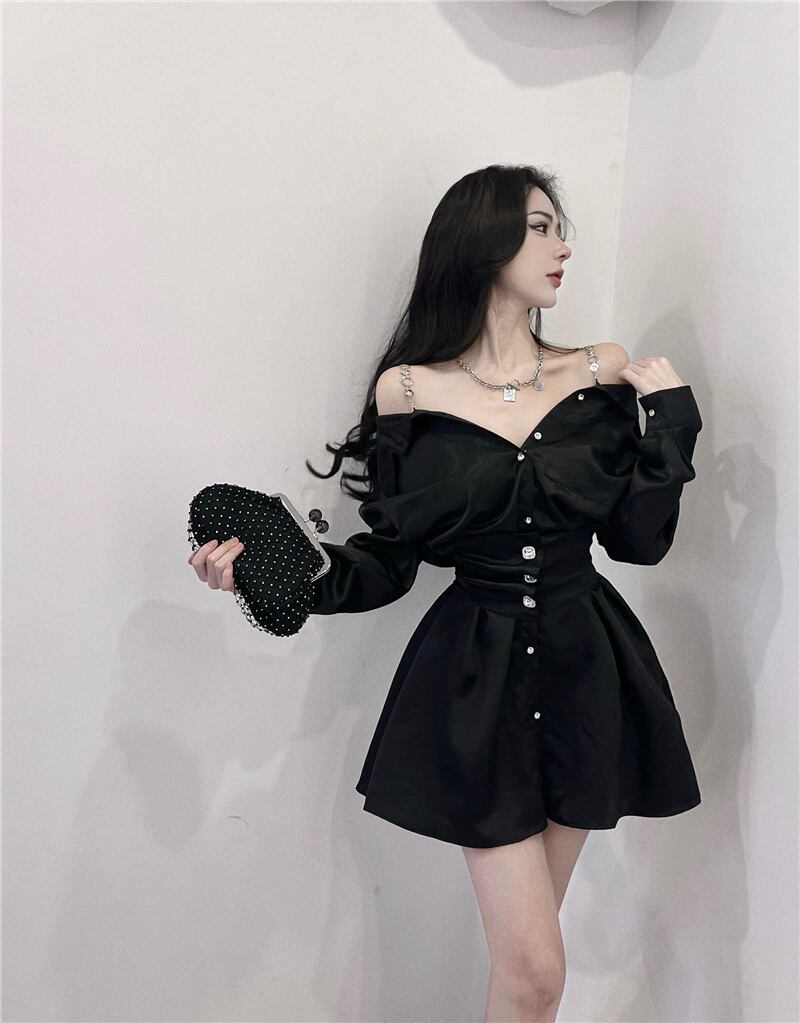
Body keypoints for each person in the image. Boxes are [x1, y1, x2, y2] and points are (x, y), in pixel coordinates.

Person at [187, 164, 703, 1023]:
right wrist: (272, 572)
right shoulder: (409, 389)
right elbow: (389, 562)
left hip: (588, 669)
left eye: (558, 227)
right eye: (540, 226)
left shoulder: (600, 369)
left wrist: (672, 424)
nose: (562, 245)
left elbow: (637, 542)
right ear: (482, 239)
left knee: (524, 974)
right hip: (476, 682)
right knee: (535, 970)